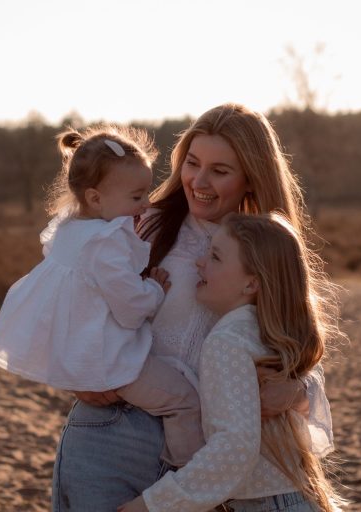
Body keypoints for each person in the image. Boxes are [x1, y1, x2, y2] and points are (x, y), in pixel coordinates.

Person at [52, 104, 335, 511]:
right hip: (117, 435)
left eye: (220, 171)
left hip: (209, 459)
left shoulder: (268, 246)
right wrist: (74, 371)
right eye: (192, 163)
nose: (198, 181)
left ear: (251, 179)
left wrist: (298, 390)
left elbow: (297, 342)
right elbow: (67, 296)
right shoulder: (140, 226)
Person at [0, 125, 204, 468]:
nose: (146, 204)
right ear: (95, 198)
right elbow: (131, 310)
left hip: (83, 352)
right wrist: (154, 289)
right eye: (136, 196)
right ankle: (188, 477)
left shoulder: (71, 228)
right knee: (184, 402)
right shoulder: (108, 241)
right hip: (111, 359)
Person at [119, 213, 343, 511]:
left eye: (215, 257)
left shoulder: (227, 340)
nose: (200, 262)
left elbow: (234, 448)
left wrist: (151, 505)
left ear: (251, 283)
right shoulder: (271, 332)